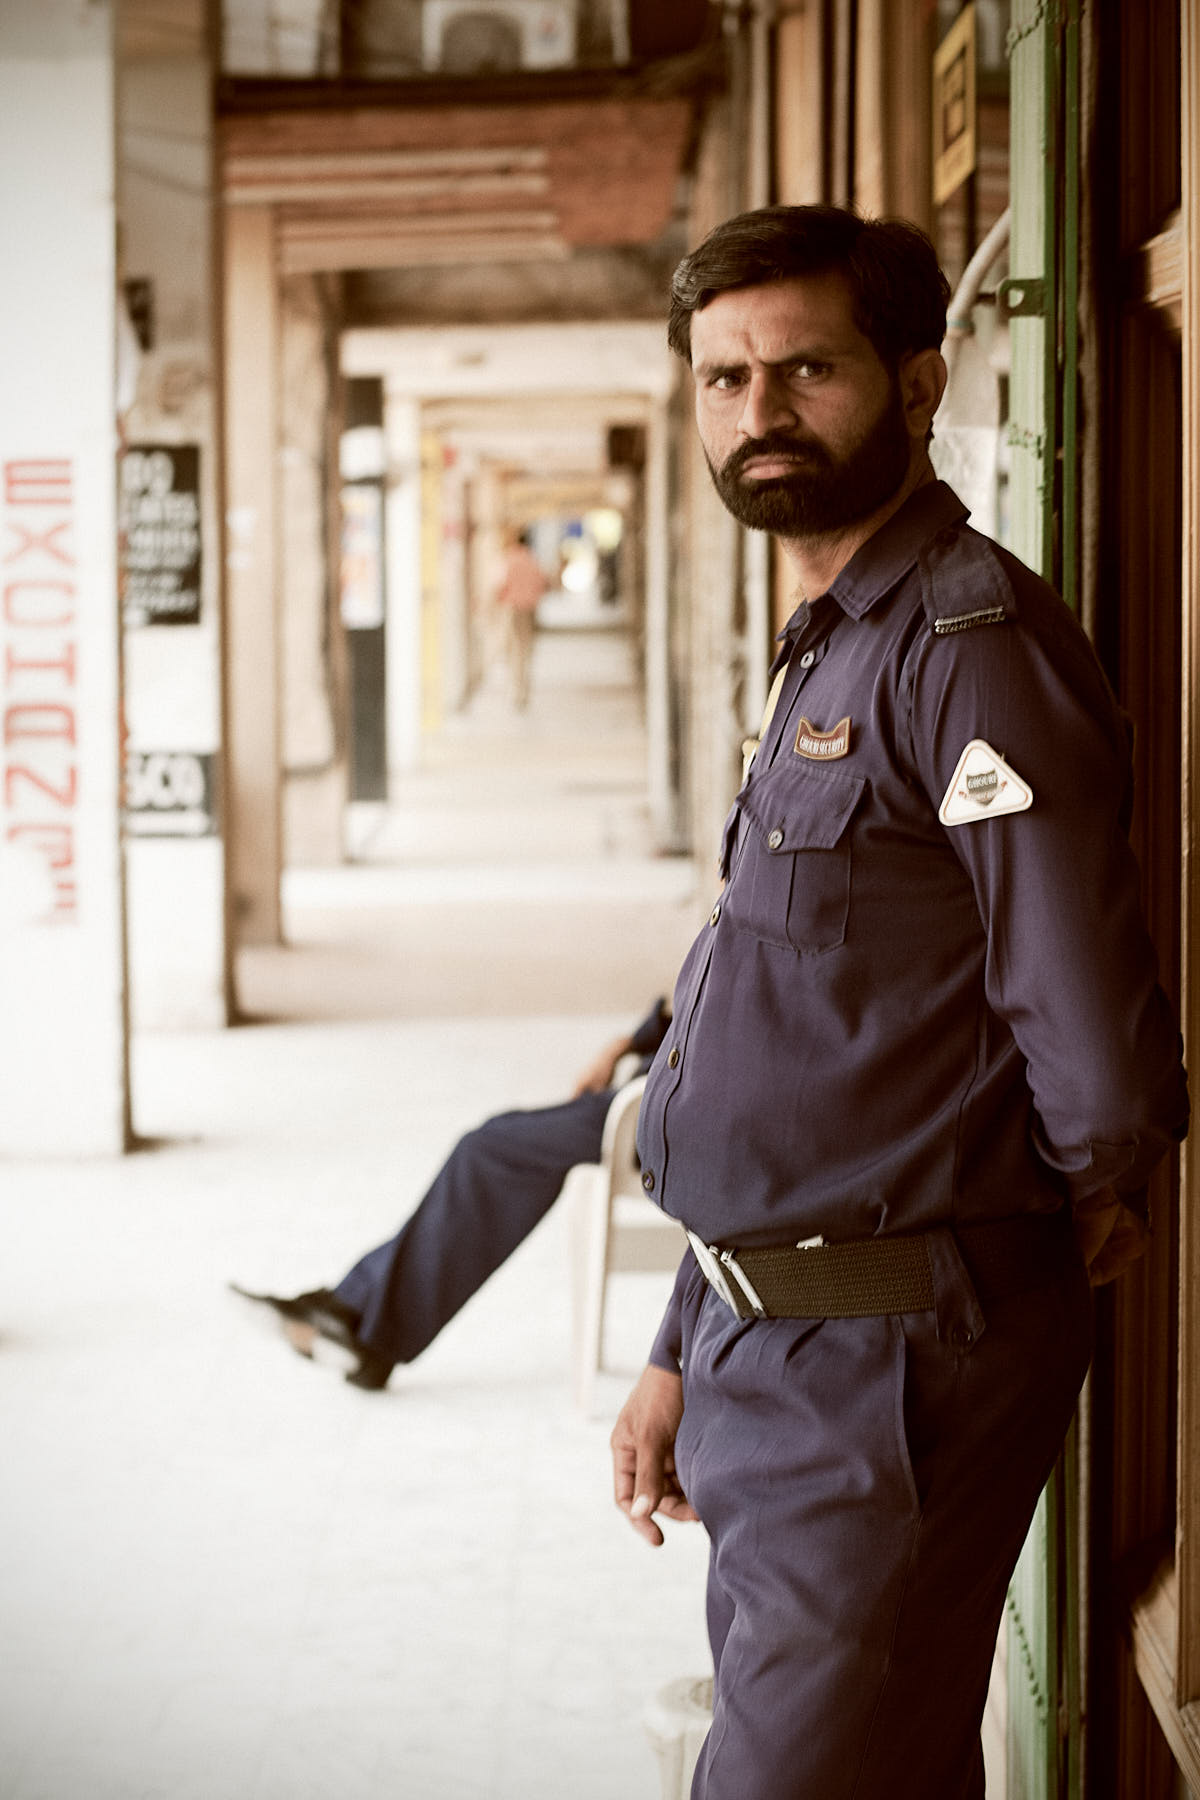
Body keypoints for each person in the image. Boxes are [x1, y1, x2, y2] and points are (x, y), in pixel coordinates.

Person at [609, 204, 1188, 1800]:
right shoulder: (828, 643)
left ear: (919, 384)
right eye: (724, 378)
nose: (760, 412)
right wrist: (683, 1334)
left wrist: (1070, 1198)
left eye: (806, 369)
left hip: (888, 1365)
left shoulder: (966, 646)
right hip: (767, 1339)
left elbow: (1094, 1036)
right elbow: (781, 1024)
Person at [232, 999, 670, 1389]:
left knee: (490, 1150)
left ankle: (358, 1321)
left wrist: (634, 1046)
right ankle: (358, 1321)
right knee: (494, 1143)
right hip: (659, 1085)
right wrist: (628, 1042)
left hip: (666, 1107)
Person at [493, 526, 548, 708]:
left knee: (513, 651)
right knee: (525, 650)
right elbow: (542, 583)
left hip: (513, 610)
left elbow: (501, 586)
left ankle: (516, 690)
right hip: (530, 610)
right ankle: (524, 689)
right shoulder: (532, 560)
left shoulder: (509, 559)